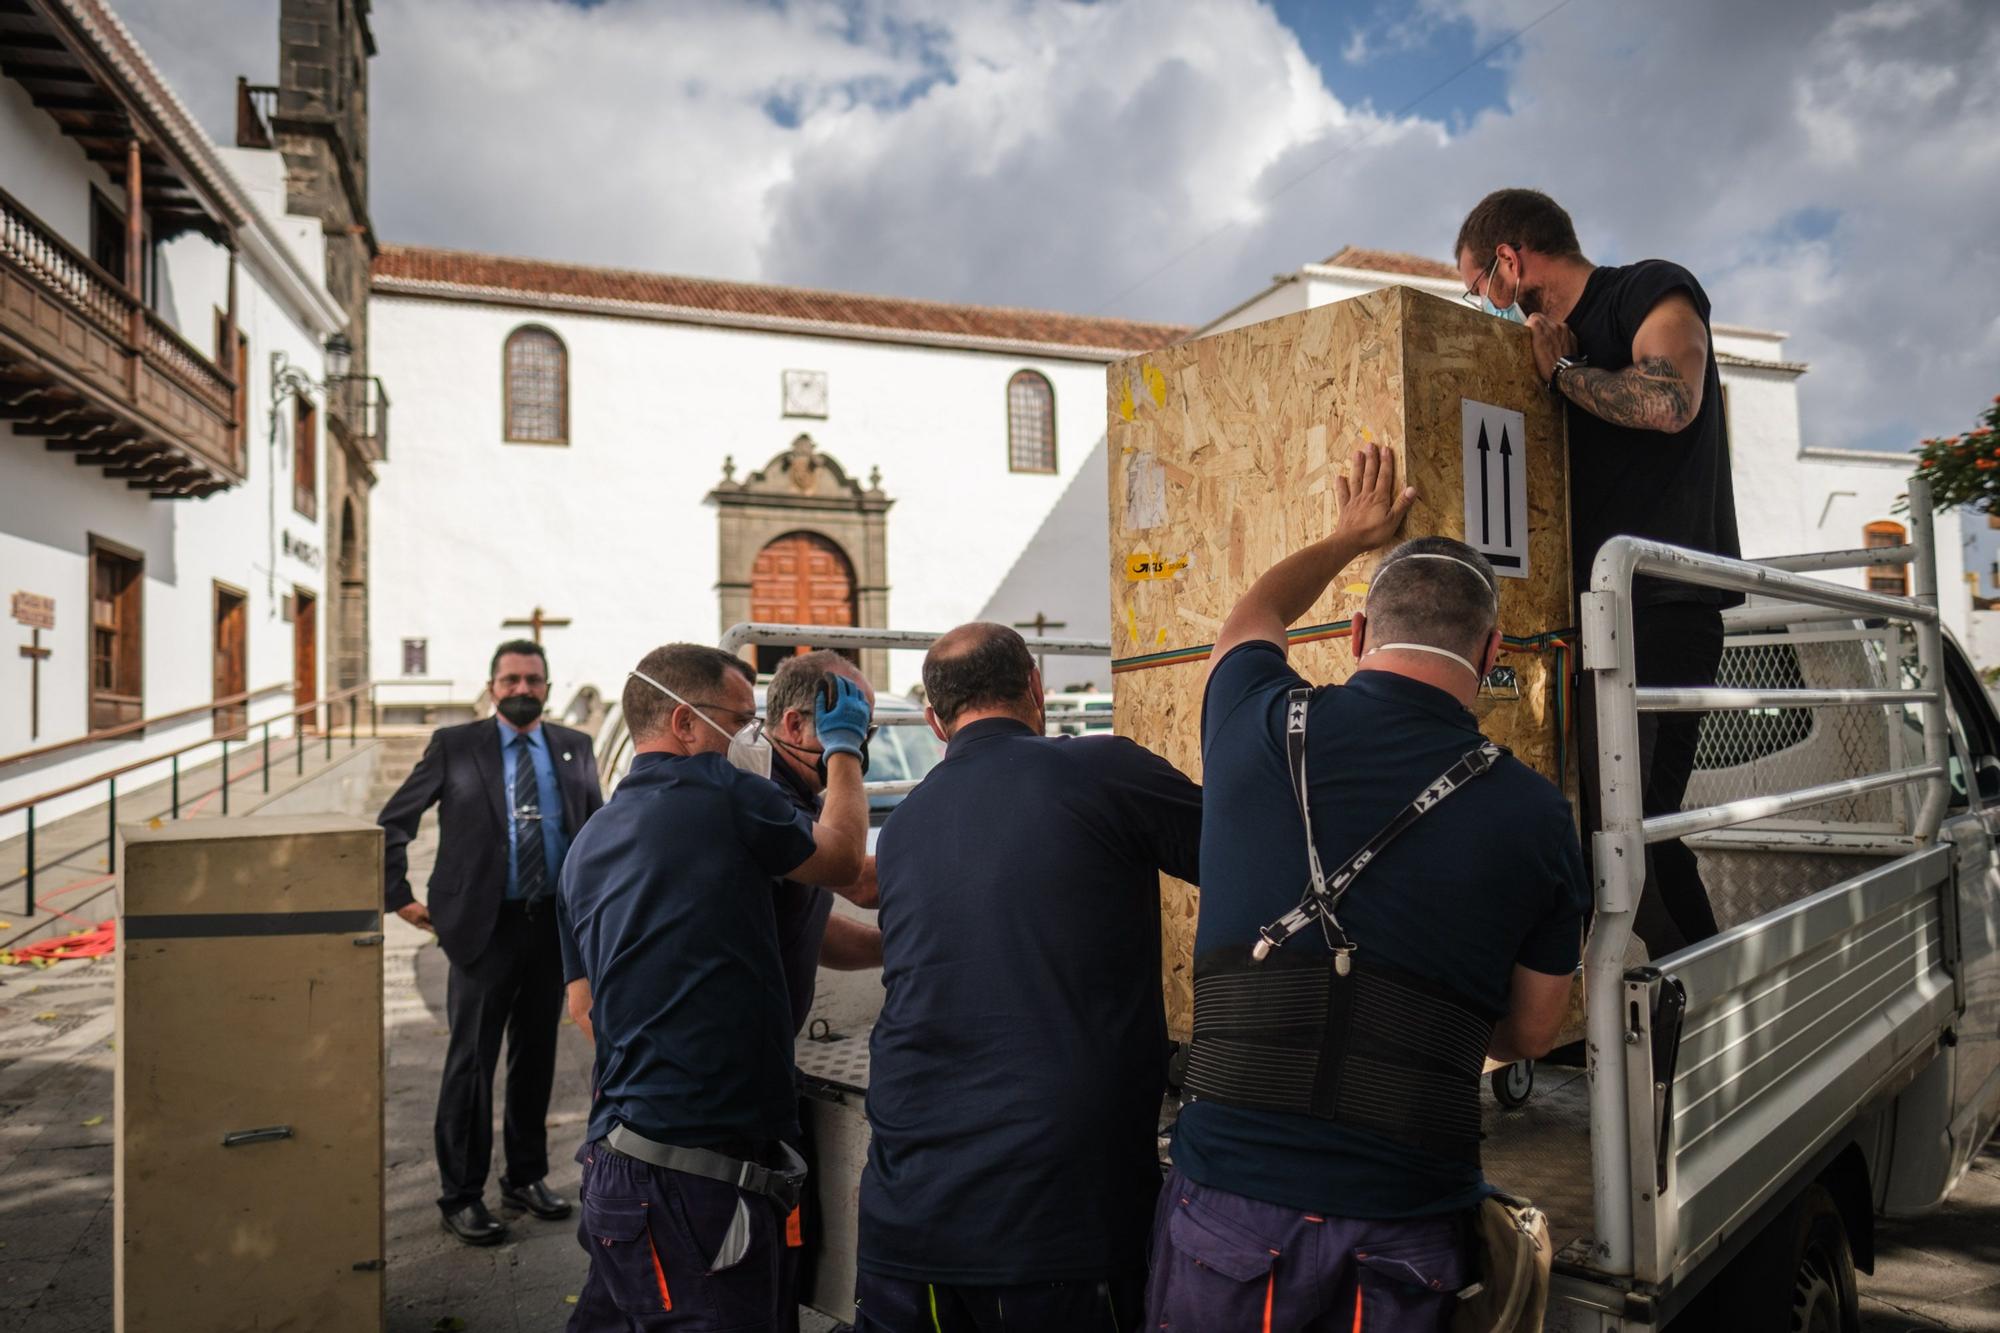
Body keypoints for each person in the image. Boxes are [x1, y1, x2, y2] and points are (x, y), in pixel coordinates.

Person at [1150, 445, 1586, 1331]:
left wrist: (1350, 536)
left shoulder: (1256, 723)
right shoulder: (1538, 814)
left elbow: (1254, 617)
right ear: (1493, 650)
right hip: (1405, 1218)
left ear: (1355, 635)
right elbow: (1536, 1027)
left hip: (1231, 1203)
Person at [855, 623, 1202, 1333]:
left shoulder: (906, 821)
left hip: (904, 1214)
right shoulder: (1103, 772)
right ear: (1037, 690)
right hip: (1056, 1221)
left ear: (932, 719)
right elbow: (1250, 852)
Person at [1455, 186, 1738, 956]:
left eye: (1480, 288)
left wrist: (1564, 376)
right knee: (1595, 828)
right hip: (1592, 622)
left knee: (1633, 826)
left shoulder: (1647, 289)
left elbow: (1671, 401)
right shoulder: (1540, 349)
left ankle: (1707, 1003)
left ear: (1509, 262)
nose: (1486, 307)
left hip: (1664, 611)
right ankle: (1603, 1021)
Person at [559, 643, 871, 1333]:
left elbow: (583, 1009)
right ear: (684, 722)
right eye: (739, 719)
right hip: (704, 1183)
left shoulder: (588, 843)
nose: (746, 737)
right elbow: (847, 860)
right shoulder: (721, 793)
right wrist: (846, 749)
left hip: (618, 1162)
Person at [378, 638, 603, 1245]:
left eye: (533, 680)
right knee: (471, 1063)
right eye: (511, 680)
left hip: (552, 926)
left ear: (548, 689)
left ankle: (525, 1176)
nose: (522, 689)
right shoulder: (456, 746)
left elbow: (597, 833)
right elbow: (395, 820)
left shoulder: (574, 748)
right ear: (492, 686)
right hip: (481, 927)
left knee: (536, 1058)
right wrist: (395, 893)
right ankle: (461, 1194)